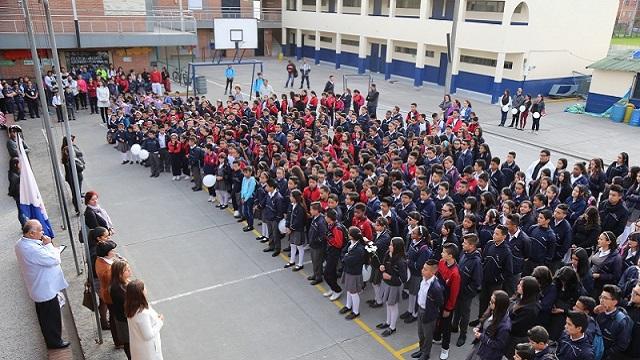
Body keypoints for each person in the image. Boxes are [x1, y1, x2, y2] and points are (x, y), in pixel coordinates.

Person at [14, 220, 70, 349]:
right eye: (40, 230)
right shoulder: (32, 249)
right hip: (44, 289)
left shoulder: (21, 244)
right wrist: (49, 245)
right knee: (50, 317)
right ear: (32, 233)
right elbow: (54, 259)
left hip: (38, 286)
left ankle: (53, 339)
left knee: (45, 316)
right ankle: (55, 342)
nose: (43, 232)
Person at [473, 225, 513, 326]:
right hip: (485, 280)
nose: (494, 235)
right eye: (494, 232)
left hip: (495, 284)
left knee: (493, 304)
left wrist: (497, 279)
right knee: (482, 300)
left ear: (504, 236)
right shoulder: (489, 244)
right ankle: (480, 319)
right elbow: (483, 259)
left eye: (497, 234)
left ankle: (489, 323)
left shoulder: (506, 251)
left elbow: (508, 271)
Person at [452, 234, 482, 347]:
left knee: (464, 313)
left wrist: (466, 291)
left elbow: (477, 283)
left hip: (466, 293)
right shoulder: (464, 254)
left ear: (472, 245)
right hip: (458, 290)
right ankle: (454, 326)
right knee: (456, 309)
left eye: (465, 243)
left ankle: (463, 334)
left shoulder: (476, 262)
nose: (462, 244)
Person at [410, 259, 444, 360]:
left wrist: (431, 311)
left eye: (425, 269)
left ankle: (426, 354)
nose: (422, 270)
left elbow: (439, 302)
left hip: (428, 313)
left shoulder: (436, 287)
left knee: (428, 335)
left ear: (433, 272)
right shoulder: (423, 280)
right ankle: (421, 350)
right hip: (420, 309)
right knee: (420, 333)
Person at [376, 236, 408, 337]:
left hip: (394, 286)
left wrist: (390, 277)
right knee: (387, 304)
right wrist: (382, 267)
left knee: (392, 306)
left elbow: (403, 278)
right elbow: (384, 263)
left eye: (391, 245)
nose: (389, 246)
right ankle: (388, 322)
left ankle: (392, 327)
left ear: (397, 247)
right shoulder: (388, 253)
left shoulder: (401, 261)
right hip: (386, 283)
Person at [125, 279, 164, 360]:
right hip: (148, 351)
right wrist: (160, 322)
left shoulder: (131, 307)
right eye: (144, 288)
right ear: (141, 293)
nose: (146, 290)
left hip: (139, 347)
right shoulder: (141, 313)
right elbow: (148, 335)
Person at [467, 290, 511, 360]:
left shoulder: (504, 327)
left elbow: (499, 345)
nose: (490, 302)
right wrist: (479, 327)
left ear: (499, 305)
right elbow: (483, 321)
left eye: (492, 302)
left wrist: (482, 337)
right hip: (479, 347)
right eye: (490, 300)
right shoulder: (492, 310)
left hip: (487, 354)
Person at [594, 284, 632, 359]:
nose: (601, 300)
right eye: (601, 297)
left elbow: (622, 345)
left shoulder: (621, 321)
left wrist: (605, 354)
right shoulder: (598, 312)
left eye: (605, 298)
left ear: (614, 302)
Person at [339, 226, 367, 320]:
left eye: (349, 234)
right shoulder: (351, 243)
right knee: (348, 289)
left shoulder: (359, 249)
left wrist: (346, 256)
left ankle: (356, 311)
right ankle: (348, 305)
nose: (348, 235)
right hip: (348, 270)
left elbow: (350, 260)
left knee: (353, 292)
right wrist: (346, 256)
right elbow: (343, 252)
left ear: (353, 236)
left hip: (354, 272)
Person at [110, 260, 132, 359]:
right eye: (126, 270)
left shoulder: (124, 283)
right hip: (123, 320)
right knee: (128, 342)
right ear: (120, 274)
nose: (129, 270)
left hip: (125, 318)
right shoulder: (118, 290)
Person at [285, 189, 307, 270]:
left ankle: (300, 264)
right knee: (292, 245)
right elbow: (288, 216)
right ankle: (292, 261)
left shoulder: (300, 208)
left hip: (297, 230)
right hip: (291, 229)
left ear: (295, 198)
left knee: (299, 247)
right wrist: (287, 226)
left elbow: (299, 221)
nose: (290, 198)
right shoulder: (291, 205)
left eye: (291, 196)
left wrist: (291, 228)